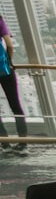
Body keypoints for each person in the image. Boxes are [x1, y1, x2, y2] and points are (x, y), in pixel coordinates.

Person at [0, 13, 27, 151]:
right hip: (5, 69)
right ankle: (23, 143)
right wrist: (9, 61)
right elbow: (10, 45)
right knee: (15, 105)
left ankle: (4, 143)